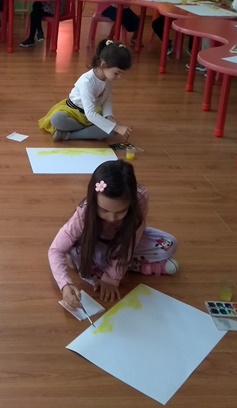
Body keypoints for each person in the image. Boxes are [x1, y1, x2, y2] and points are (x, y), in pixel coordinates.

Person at [48, 160, 178, 306]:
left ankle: (122, 265)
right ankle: (134, 265)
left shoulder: (140, 198)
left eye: (121, 212)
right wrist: (65, 285)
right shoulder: (84, 212)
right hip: (96, 245)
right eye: (104, 211)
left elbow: (132, 240)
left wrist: (111, 278)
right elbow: (56, 250)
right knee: (81, 254)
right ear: (94, 200)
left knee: (169, 243)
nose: (111, 218)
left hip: (123, 242)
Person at [38, 40, 133, 141]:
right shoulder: (87, 81)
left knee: (112, 130)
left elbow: (107, 100)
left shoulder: (108, 78)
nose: (119, 77)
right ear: (103, 65)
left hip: (92, 115)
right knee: (57, 119)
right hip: (74, 113)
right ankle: (86, 131)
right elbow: (90, 114)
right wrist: (114, 127)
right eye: (117, 73)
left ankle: (67, 135)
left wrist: (109, 117)